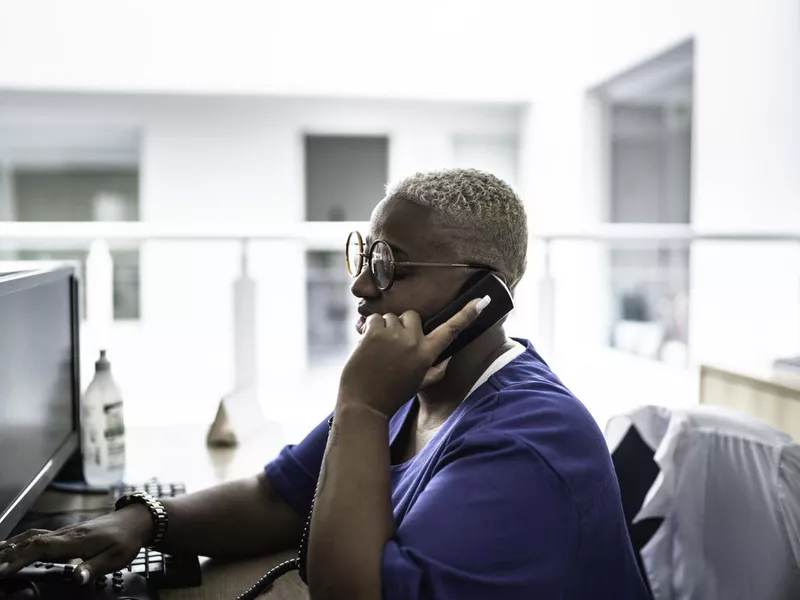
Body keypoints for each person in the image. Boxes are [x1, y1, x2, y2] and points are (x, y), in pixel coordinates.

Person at [0, 168, 650, 599]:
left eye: (390, 263)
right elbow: (282, 496)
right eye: (365, 256)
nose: (362, 285)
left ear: (483, 294)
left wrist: (361, 404)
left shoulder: (529, 444)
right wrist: (144, 522)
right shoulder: (419, 388)